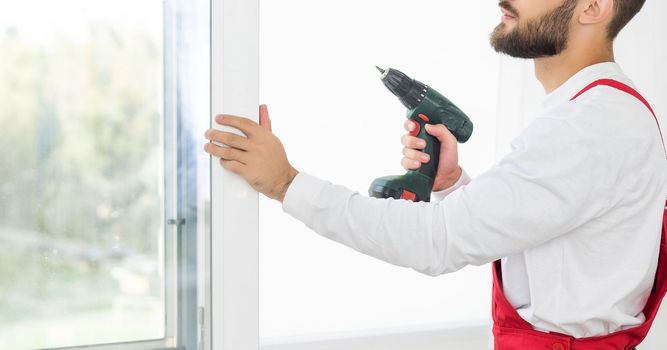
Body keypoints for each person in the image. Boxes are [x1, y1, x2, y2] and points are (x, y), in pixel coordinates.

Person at [203, 0, 667, 348]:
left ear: (592, 7)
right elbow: (551, 247)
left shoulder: (587, 126)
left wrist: (286, 182)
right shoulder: (598, 112)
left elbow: (436, 242)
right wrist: (452, 185)